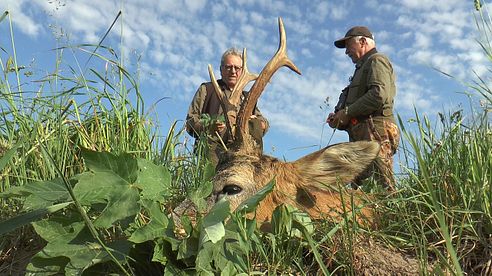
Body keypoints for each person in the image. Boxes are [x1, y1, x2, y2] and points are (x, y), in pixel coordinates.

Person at [327, 26, 400, 191]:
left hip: (375, 132)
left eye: (348, 45)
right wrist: (339, 119)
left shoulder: (377, 60)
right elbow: (356, 109)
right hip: (363, 135)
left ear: (362, 41)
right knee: (359, 191)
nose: (346, 52)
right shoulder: (362, 69)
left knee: (384, 189)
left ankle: (397, 216)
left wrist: (347, 112)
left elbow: (379, 94)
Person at [186, 48, 269, 166]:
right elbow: (190, 122)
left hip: (243, 156)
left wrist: (261, 124)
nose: (233, 71)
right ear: (221, 69)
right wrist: (209, 126)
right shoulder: (207, 90)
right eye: (228, 67)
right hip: (214, 154)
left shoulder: (248, 97)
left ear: (242, 71)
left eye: (237, 68)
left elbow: (263, 122)